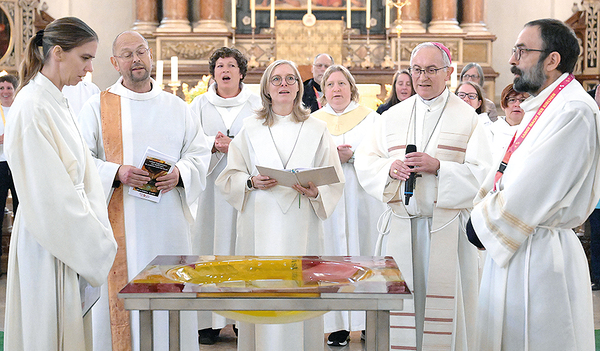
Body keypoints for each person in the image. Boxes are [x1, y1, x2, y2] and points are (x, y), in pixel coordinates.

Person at [468, 19, 600, 350]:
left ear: (552, 60)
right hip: (518, 243)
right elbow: (509, 168)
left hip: (541, 251)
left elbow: (533, 186)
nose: (513, 60)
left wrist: (480, 224)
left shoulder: (574, 110)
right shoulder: (545, 105)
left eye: (522, 51)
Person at [78, 31, 211, 351]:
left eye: (141, 52)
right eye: (127, 54)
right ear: (114, 62)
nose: (136, 59)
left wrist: (180, 174)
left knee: (169, 297)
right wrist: (116, 172)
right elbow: (80, 160)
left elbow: (199, 154)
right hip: (118, 225)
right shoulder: (97, 106)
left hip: (168, 226)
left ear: (151, 56)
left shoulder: (178, 107)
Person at [354, 42, 492, 350]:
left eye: (432, 70)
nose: (423, 77)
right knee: (403, 312)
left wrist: (440, 166)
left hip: (446, 230)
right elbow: (366, 161)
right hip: (402, 227)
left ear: (448, 73)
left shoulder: (467, 117)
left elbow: (484, 173)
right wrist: (390, 169)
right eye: (417, 70)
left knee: (445, 312)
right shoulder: (392, 116)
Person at [3, 17, 117, 350]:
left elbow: (82, 175)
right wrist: (97, 243)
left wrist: (96, 226)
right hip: (49, 237)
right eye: (85, 57)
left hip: (70, 232)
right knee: (48, 331)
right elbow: (46, 193)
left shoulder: (57, 100)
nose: (89, 68)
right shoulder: (32, 105)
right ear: (58, 53)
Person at [215, 59, 344, 351]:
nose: (284, 84)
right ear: (266, 89)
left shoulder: (318, 129)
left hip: (302, 227)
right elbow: (228, 178)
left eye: (290, 79)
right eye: (277, 80)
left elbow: (333, 180)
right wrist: (250, 182)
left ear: (300, 87)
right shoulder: (250, 128)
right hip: (259, 225)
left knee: (299, 299)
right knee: (262, 300)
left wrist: (315, 193)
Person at [189, 46, 261, 345]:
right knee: (208, 250)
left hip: (242, 192)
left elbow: (263, 138)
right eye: (219, 66)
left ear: (241, 72)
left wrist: (236, 145)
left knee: (240, 250)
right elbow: (188, 141)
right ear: (213, 72)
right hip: (209, 192)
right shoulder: (198, 105)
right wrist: (212, 143)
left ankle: (241, 319)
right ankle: (207, 322)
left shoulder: (256, 104)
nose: (225, 70)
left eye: (231, 65)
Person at [312, 65, 386, 346]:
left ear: (352, 88)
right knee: (333, 259)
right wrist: (334, 159)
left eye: (342, 83)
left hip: (362, 200)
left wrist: (354, 157)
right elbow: (309, 160)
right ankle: (339, 326)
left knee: (364, 253)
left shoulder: (371, 119)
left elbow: (381, 155)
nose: (337, 89)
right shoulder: (314, 122)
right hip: (330, 201)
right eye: (330, 84)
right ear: (323, 91)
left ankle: (368, 321)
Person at [485, 83, 529, 160]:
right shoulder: (490, 131)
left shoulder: (533, 131)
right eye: (512, 100)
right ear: (502, 105)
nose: (517, 104)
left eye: (522, 100)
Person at [0, 74, 18, 256]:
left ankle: (21, 256)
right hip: (0, 165)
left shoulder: (20, 108)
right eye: (1, 88)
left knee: (22, 210)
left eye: (8, 88)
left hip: (18, 164)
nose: (5, 92)